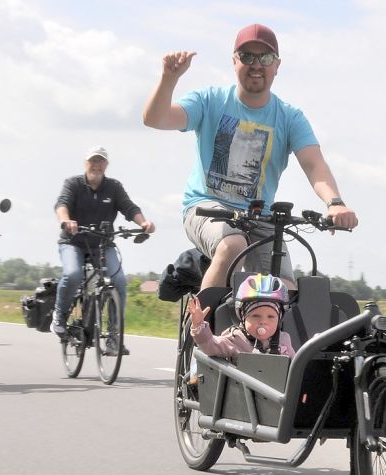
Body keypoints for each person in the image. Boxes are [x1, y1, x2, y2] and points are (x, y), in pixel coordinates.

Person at [142, 22, 358, 290]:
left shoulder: (290, 117)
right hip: (207, 207)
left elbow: (314, 164)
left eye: (265, 57)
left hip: (259, 217)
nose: (256, 64)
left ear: (277, 65)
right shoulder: (210, 100)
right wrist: (169, 79)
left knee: (284, 290)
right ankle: (201, 329)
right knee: (233, 244)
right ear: (234, 61)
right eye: (247, 56)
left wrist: (335, 203)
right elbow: (155, 118)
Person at [51, 146, 155, 355]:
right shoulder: (73, 184)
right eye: (93, 161)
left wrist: (144, 223)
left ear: (106, 165)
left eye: (101, 161)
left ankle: (113, 339)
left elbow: (129, 207)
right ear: (85, 163)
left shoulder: (113, 187)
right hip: (73, 242)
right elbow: (61, 205)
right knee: (73, 274)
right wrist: (66, 221)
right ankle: (59, 317)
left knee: (118, 282)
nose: (96, 165)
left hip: (102, 244)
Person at [186, 273, 294, 385]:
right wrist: (198, 324)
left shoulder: (284, 339)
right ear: (243, 316)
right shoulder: (235, 338)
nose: (263, 321)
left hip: (277, 394)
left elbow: (295, 366)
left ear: (279, 318)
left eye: (271, 317)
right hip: (240, 397)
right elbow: (210, 345)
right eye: (255, 316)